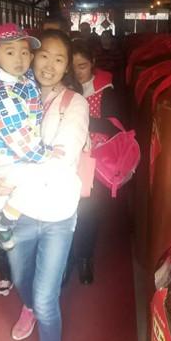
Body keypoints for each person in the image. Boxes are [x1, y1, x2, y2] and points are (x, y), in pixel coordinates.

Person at [0, 29, 89, 341]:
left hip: (58, 214)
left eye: (59, 59)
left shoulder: (75, 104)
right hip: (20, 212)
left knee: (46, 299)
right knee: (22, 280)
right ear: (32, 57)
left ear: (67, 66)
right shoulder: (12, 97)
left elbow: (64, 157)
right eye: (43, 55)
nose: (49, 65)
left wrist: (10, 173)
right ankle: (28, 307)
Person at [0, 23, 62, 252]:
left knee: (8, 188)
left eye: (25, 52)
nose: (19, 59)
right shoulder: (1, 93)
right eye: (10, 52)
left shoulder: (14, 80)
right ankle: (3, 223)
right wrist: (45, 153)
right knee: (38, 179)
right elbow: (19, 139)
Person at [69, 39, 121, 284]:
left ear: (92, 64)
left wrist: (81, 119)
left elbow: (115, 126)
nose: (78, 72)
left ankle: (84, 257)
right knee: (66, 209)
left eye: (82, 66)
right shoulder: (63, 87)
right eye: (73, 67)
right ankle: (67, 256)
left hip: (93, 161)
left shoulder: (104, 90)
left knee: (88, 212)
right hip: (67, 157)